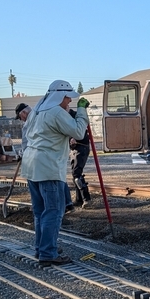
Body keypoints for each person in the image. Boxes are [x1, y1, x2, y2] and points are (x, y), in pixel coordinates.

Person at [20, 80, 89, 265]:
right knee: (53, 211)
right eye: (68, 98)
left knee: (40, 211)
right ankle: (48, 253)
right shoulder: (56, 112)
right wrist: (82, 111)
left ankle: (41, 247)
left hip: (32, 165)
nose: (70, 101)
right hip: (48, 167)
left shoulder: (37, 111)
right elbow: (78, 132)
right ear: (60, 96)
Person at [69, 109, 92, 206]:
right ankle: (79, 199)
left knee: (76, 174)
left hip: (81, 147)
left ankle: (86, 199)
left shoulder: (75, 115)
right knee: (75, 174)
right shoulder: (64, 116)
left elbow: (82, 130)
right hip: (74, 149)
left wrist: (75, 138)